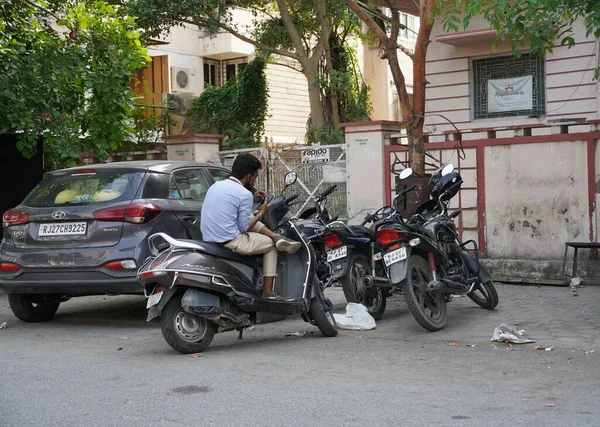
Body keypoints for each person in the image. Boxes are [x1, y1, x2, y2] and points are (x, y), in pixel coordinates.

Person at [201, 153, 301, 301]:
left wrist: (252, 202)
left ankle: (276, 236)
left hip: (209, 238)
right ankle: (268, 291)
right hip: (230, 240)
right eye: (255, 177)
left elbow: (237, 213)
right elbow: (244, 227)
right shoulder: (243, 194)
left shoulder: (216, 186)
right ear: (248, 176)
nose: (254, 181)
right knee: (271, 246)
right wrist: (261, 212)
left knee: (249, 216)